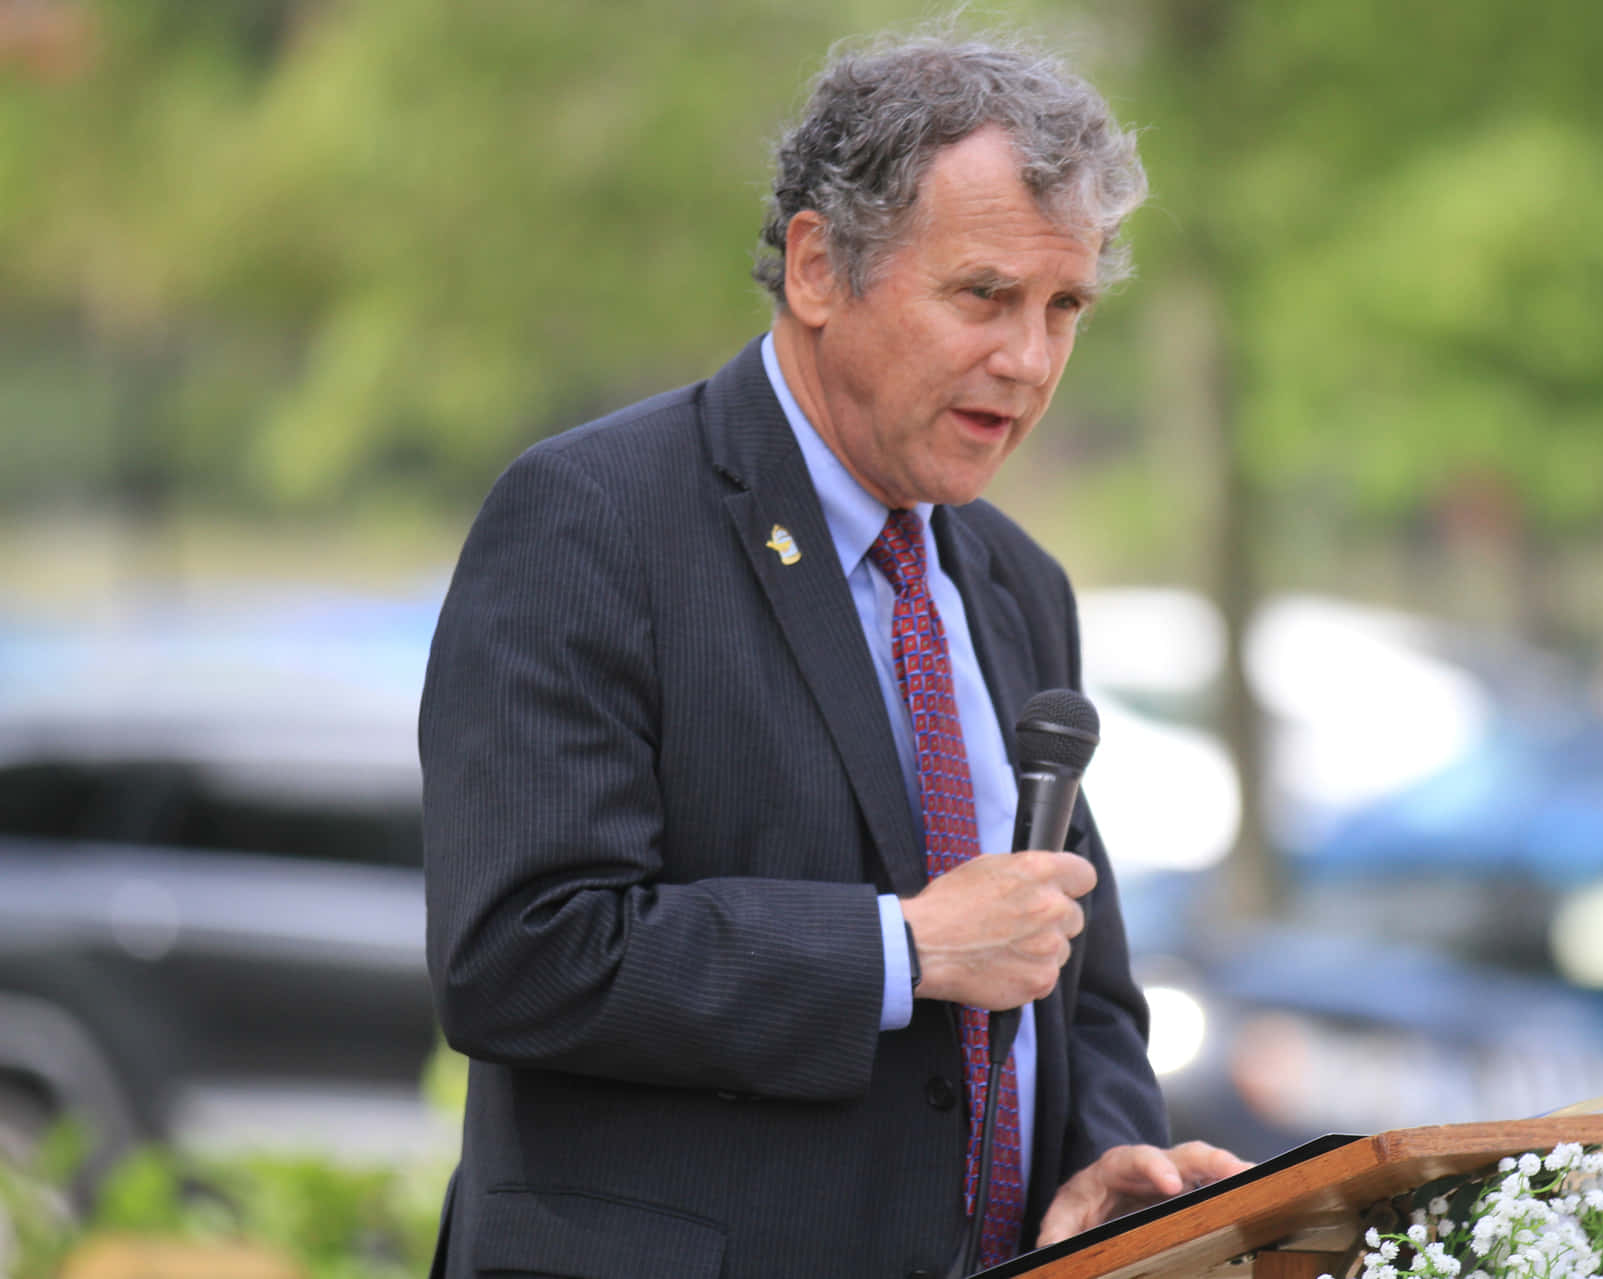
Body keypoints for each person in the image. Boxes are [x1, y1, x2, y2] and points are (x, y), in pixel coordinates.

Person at [419, 30, 1247, 1279]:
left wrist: (1107, 1154)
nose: (1028, 360)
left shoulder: (1018, 582)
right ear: (817, 267)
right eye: (983, 295)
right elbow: (521, 955)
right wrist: (902, 950)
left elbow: (1076, 977)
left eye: (1063, 306)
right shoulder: (593, 519)